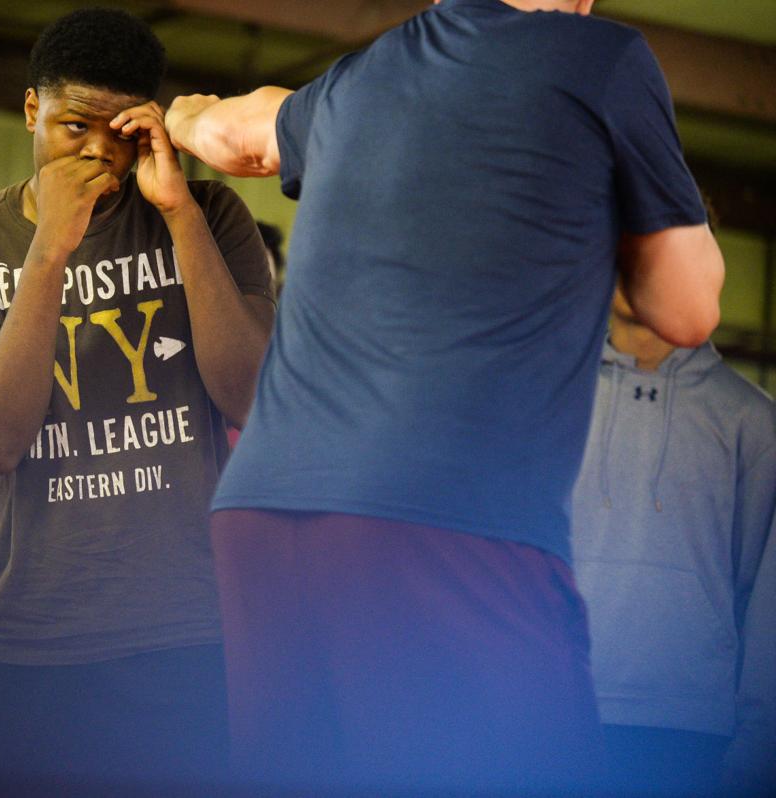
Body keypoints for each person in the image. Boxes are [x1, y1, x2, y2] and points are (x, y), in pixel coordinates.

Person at [153, 0, 724, 791]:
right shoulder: (604, 60)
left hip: (262, 515)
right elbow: (687, 309)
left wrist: (182, 115)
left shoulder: (359, 77)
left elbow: (233, 134)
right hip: (442, 512)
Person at [0, 7, 275, 787]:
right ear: (32, 108)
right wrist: (50, 249)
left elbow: (250, 398)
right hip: (16, 628)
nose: (98, 150)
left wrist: (178, 212)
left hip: (179, 627)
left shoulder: (210, 215)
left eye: (121, 130)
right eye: (76, 124)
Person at [571, 281, 776, 797]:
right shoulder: (548, 398)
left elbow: (767, 605)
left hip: (692, 735)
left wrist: (758, 751)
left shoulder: (754, 421)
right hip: (552, 710)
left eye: (660, 238)